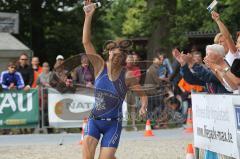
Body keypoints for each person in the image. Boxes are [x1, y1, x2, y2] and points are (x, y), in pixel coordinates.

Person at [82, 1, 147, 159]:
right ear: (108, 54)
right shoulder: (99, 66)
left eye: (119, 55)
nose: (115, 56)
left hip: (113, 123)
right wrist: (88, 16)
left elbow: (143, 95)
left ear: (123, 58)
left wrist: (143, 106)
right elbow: (86, 42)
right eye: (112, 53)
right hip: (94, 121)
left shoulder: (128, 76)